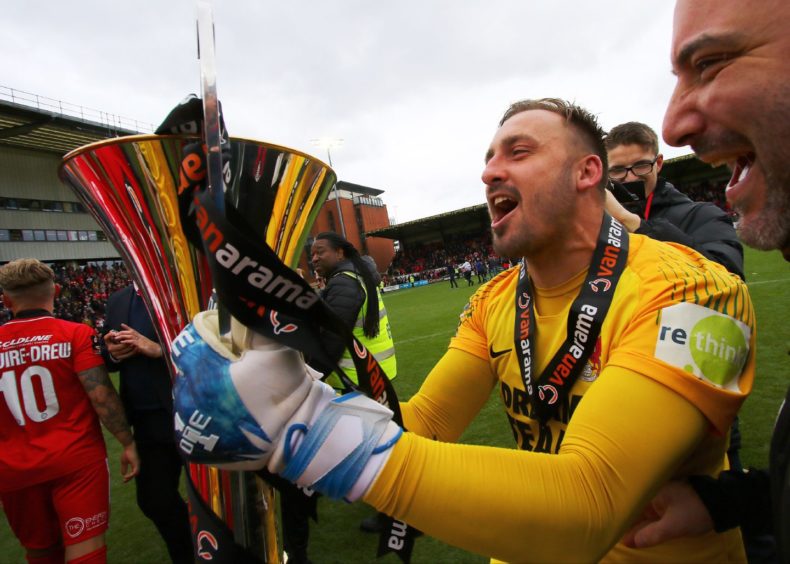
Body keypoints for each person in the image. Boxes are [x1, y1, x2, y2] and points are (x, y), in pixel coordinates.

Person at [171, 98, 756, 562]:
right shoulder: (494, 300)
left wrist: (305, 431)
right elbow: (421, 426)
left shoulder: (692, 290)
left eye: (518, 151)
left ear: (588, 172)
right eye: (488, 157)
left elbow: (588, 504)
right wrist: (286, 384)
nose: (489, 171)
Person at [620, 0, 790, 560]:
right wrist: (725, 503)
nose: (676, 123)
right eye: (613, 169)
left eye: (712, 62)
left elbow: (720, 281)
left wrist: (632, 229)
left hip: (701, 420)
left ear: (657, 167)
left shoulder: (698, 215)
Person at [0, 258, 140, 564]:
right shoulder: (75, 334)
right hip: (75, 461)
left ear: (6, 300)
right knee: (86, 551)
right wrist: (127, 442)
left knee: (40, 553)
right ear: (58, 290)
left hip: (12, 469)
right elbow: (101, 396)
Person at [310, 231, 398, 534]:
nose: (315, 258)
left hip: (364, 379)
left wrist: (306, 375)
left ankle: (392, 512)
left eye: (320, 251)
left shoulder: (345, 283)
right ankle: (390, 503)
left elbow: (332, 341)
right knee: (376, 443)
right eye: (312, 254)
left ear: (341, 253)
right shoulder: (355, 277)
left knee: (375, 448)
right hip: (375, 375)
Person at [102, 284, 193, 563]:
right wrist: (114, 352)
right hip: (147, 419)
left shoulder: (186, 287)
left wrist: (160, 349)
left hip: (193, 414)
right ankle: (189, 555)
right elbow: (107, 359)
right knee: (155, 500)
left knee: (214, 497)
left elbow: (218, 345)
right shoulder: (119, 299)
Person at [604, 121, 744, 280]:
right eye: (617, 170)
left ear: (658, 163)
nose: (630, 178)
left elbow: (730, 280)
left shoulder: (704, 215)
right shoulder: (599, 223)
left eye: (641, 165)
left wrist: (634, 223)